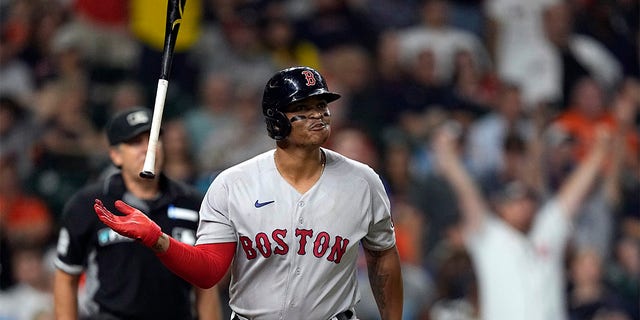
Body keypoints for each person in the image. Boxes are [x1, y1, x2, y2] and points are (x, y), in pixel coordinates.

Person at [92, 66, 404, 320]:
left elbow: (383, 253)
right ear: (276, 119)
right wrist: (158, 239)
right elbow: (208, 271)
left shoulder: (363, 181)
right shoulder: (233, 184)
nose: (318, 115)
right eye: (303, 108)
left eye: (321, 105)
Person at [53, 107, 222, 320]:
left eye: (153, 140)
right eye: (135, 142)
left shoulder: (194, 203)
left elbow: (205, 283)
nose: (147, 149)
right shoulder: (88, 205)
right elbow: (67, 275)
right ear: (115, 155)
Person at [431, 120, 611, 320]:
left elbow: (571, 196)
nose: (523, 207)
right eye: (514, 202)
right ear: (501, 208)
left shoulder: (546, 230)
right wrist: (448, 159)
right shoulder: (490, 236)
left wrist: (598, 154)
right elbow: (467, 194)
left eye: (526, 201)